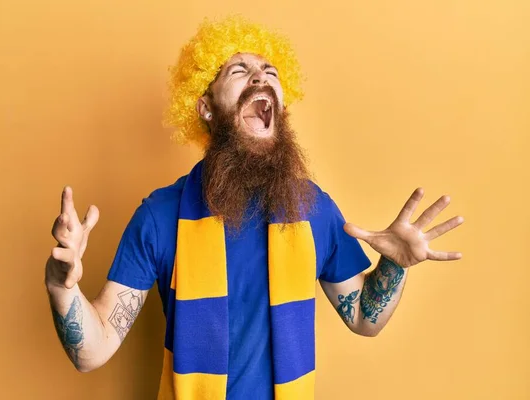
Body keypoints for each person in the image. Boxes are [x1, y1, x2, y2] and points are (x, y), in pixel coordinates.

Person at [45, 16, 464, 400]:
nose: (261, 76)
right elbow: (92, 350)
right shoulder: (160, 216)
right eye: (239, 70)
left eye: (271, 72)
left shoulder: (314, 208)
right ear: (205, 107)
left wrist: (394, 267)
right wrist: (61, 288)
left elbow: (363, 318)